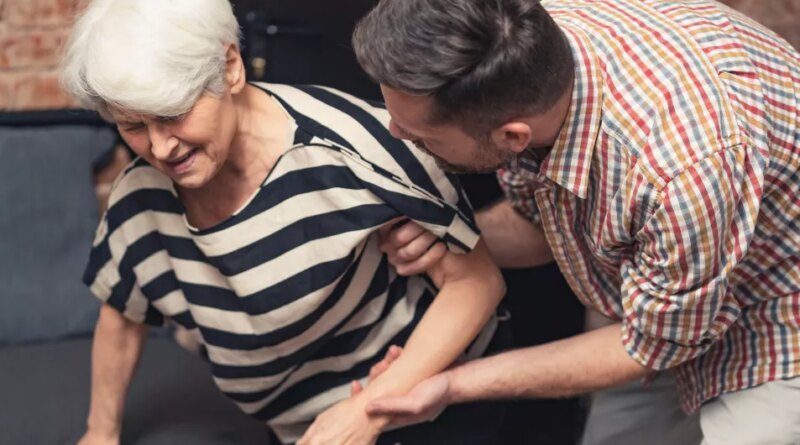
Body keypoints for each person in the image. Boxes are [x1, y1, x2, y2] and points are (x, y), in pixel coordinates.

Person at [59, 1, 510, 444]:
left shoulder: (357, 148)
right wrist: (101, 432)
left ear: (230, 67)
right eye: (133, 125)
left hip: (421, 410)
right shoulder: (139, 199)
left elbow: (477, 284)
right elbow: (122, 317)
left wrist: (368, 410)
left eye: (171, 114)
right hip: (302, 427)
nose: (160, 149)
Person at [350, 0, 800, 444]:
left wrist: (453, 384)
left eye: (423, 136)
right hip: (669, 292)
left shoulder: (678, 171)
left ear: (512, 135)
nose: (394, 131)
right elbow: (541, 229)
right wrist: (449, 239)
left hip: (778, 306)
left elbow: (649, 347)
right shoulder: (519, 46)